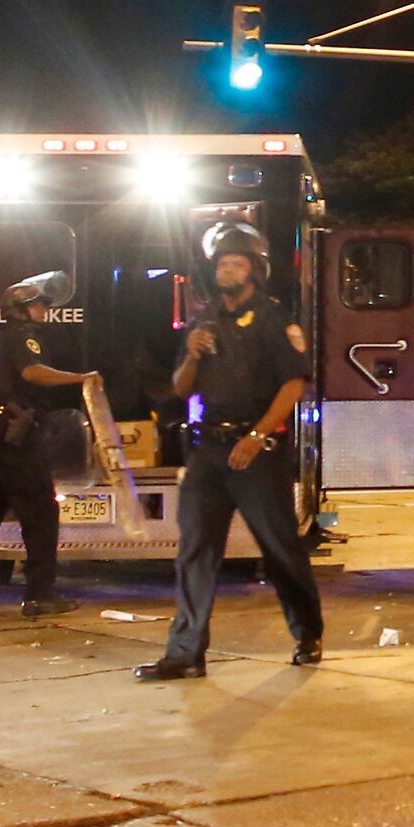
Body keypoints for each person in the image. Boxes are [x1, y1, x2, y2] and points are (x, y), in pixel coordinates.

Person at [141, 224, 329, 677]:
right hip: (207, 449)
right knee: (195, 551)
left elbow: (294, 385)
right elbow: (180, 388)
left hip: (257, 452)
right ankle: (185, 654)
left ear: (254, 272)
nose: (226, 269)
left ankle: (307, 633)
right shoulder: (203, 322)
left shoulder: (273, 319)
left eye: (236, 263)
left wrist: (258, 437)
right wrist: (190, 353)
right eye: (222, 263)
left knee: (280, 547)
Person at [0, 279, 87, 619]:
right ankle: (40, 595)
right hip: (13, 432)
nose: (44, 310)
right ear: (22, 310)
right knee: (41, 510)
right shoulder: (23, 338)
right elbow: (34, 373)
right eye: (39, 305)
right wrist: (82, 378)